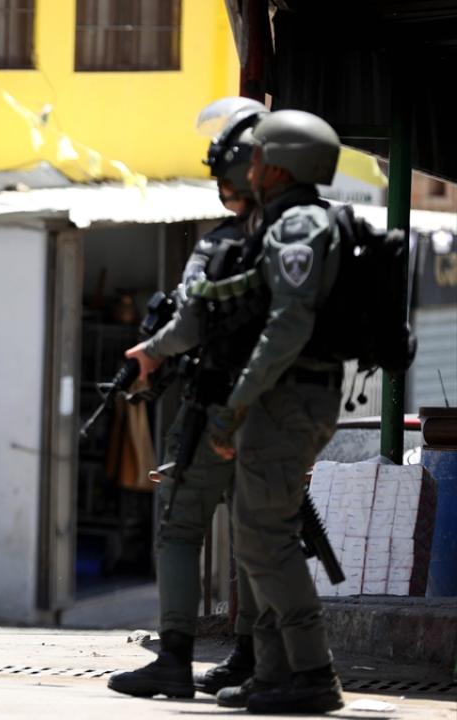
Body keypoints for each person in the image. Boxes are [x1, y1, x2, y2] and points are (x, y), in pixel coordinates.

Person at [107, 97, 266, 700]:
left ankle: (173, 659)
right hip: (276, 412)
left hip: (214, 409)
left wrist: (151, 356)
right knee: (258, 537)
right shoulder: (302, 235)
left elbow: (189, 321)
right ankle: (251, 656)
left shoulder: (221, 244)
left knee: (178, 529)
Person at [207, 109, 345, 714]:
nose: (251, 167)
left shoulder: (299, 227)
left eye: (259, 157)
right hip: (283, 397)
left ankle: (312, 673)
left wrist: (235, 404)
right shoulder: (283, 221)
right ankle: (271, 673)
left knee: (267, 540)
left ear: (283, 166)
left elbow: (288, 325)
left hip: (289, 398)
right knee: (258, 540)